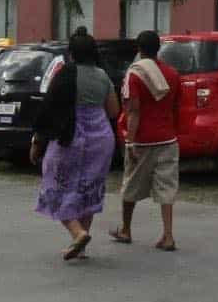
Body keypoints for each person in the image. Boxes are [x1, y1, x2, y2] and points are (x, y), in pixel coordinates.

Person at [32, 30, 119, 261]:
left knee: (55, 185)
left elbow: (48, 109)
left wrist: (37, 143)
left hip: (71, 137)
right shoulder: (103, 76)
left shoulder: (65, 73)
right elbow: (114, 111)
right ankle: (81, 243)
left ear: (71, 53)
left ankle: (78, 233)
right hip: (100, 137)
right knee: (88, 190)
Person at [110, 29, 183, 252]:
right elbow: (176, 107)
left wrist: (129, 142)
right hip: (168, 138)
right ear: (158, 48)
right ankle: (168, 235)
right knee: (167, 188)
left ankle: (126, 229)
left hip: (142, 140)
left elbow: (133, 111)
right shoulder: (172, 74)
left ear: (139, 50)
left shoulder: (135, 74)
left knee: (131, 184)